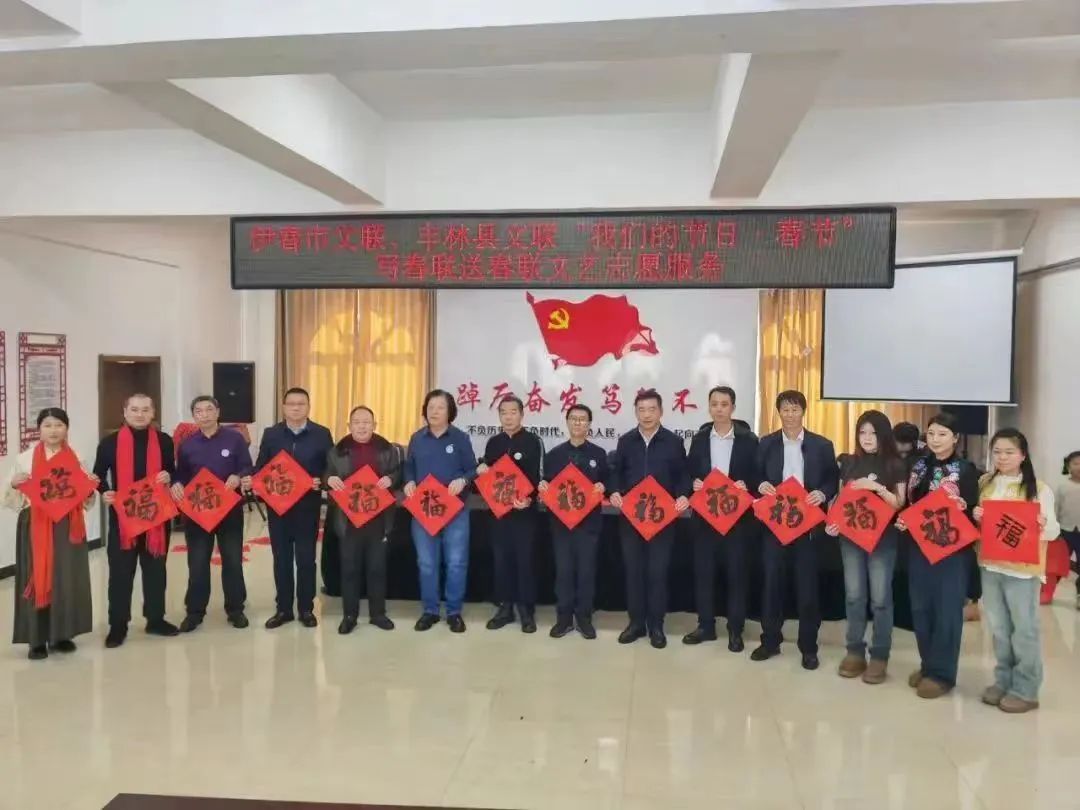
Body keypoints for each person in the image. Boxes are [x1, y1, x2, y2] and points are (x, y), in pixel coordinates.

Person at [973, 428, 1059, 713]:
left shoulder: (1038, 489)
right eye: (997, 452)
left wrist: (1042, 524)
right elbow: (980, 525)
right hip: (990, 565)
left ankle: (1026, 689)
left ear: (1023, 455)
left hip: (1023, 571)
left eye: (1009, 452)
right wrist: (976, 515)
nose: (1002, 457)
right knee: (999, 629)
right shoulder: (985, 483)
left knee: (1024, 630)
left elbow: (1053, 531)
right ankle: (1003, 680)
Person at [896, 411, 980, 699]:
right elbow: (910, 504)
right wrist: (903, 518)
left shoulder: (965, 469)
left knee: (946, 611)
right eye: (931, 433)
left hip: (951, 550)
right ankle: (928, 664)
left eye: (942, 434)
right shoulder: (918, 465)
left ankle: (942, 674)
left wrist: (963, 507)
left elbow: (973, 511)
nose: (935, 439)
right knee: (921, 608)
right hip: (918, 546)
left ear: (955, 438)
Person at [753, 390, 838, 670]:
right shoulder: (766, 443)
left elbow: (832, 479)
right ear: (779, 412)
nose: (790, 415)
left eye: (795, 409)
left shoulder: (821, 445)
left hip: (808, 525)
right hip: (775, 523)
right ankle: (770, 641)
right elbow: (755, 474)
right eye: (785, 410)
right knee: (771, 584)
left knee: (807, 587)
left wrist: (822, 493)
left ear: (803, 411)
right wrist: (761, 485)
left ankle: (808, 647)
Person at [3, 408, 97, 660]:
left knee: (66, 577)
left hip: (68, 525)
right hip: (34, 523)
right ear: (39, 429)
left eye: (59, 425)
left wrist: (90, 489)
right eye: (47, 425)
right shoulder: (24, 459)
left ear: (66, 428)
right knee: (35, 576)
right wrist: (14, 484)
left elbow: (85, 498)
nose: (53, 430)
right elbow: (9, 498)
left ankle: (62, 634)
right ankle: (36, 639)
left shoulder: (77, 457)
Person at [825, 410, 907, 684]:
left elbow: (899, 504)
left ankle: (880, 655)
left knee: (881, 599)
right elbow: (840, 500)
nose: (867, 438)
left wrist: (875, 488)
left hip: (882, 539)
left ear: (883, 435)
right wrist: (833, 522)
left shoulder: (895, 464)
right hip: (850, 538)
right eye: (862, 432)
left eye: (873, 433)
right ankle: (854, 651)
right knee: (854, 595)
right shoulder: (849, 462)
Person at [92, 393, 178, 648]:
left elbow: (172, 471)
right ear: (125, 412)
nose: (140, 414)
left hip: (156, 517)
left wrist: (168, 476)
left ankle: (155, 619)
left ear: (153, 413)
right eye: (134, 409)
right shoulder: (109, 443)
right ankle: (117, 626)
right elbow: (97, 476)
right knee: (120, 573)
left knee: (156, 571)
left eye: (145, 410)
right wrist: (105, 491)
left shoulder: (164, 440)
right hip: (123, 519)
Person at [608, 389, 690, 649]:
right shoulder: (626, 441)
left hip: (661, 518)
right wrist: (614, 491)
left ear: (661, 411)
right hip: (632, 518)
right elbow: (615, 472)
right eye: (641, 410)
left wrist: (684, 494)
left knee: (657, 572)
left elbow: (683, 475)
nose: (646, 415)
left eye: (652, 409)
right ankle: (635, 623)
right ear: (636, 412)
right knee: (633, 571)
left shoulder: (673, 442)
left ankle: (656, 625)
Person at [245, 387, 333, 630]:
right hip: (279, 508)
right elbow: (261, 467)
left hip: (308, 506)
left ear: (308, 407)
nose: (296, 408)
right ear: (283, 407)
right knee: (281, 558)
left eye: (301, 404)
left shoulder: (321, 434)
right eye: (291, 404)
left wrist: (320, 480)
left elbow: (331, 468)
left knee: (306, 559)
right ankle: (283, 609)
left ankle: (306, 608)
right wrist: (252, 478)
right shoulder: (272, 434)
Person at [683, 386, 759, 653]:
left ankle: (735, 629)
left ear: (733, 408)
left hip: (737, 519)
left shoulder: (749, 440)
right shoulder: (700, 438)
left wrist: (746, 484)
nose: (719, 409)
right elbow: (689, 471)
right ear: (709, 407)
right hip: (705, 518)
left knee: (736, 575)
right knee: (704, 573)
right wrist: (693, 482)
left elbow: (759, 475)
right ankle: (706, 625)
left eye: (724, 404)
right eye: (714, 404)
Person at [171, 395, 253, 632]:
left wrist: (238, 476)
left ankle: (235, 609)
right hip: (198, 513)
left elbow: (247, 466)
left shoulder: (235, 439)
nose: (204, 414)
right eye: (199, 411)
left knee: (232, 561)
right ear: (194, 416)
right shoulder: (187, 445)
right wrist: (176, 483)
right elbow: (180, 474)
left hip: (229, 510)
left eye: (209, 409)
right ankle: (195, 612)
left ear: (218, 412)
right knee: (197, 563)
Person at [403, 389, 478, 633]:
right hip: (424, 508)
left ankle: (454, 612)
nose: (434, 412)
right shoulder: (417, 438)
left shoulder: (460, 438)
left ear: (450, 412)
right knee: (426, 562)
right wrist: (409, 481)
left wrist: (463, 480)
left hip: (455, 510)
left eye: (440, 407)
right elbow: (409, 467)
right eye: (431, 407)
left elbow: (472, 469)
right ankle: (430, 611)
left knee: (456, 562)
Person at [324, 406, 401, 634]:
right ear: (349, 426)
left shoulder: (387, 449)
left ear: (374, 425)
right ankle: (350, 615)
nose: (361, 426)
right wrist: (330, 480)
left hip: (378, 518)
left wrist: (391, 479)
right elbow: (326, 473)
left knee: (377, 568)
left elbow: (399, 472)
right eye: (357, 422)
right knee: (349, 569)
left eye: (366, 422)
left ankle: (378, 614)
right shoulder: (337, 451)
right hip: (348, 519)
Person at [540, 404, 608, 640]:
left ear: (589, 424)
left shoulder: (599, 454)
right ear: (567, 422)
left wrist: (603, 486)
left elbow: (609, 483)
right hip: (561, 525)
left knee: (586, 572)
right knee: (564, 572)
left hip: (589, 525)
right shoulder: (555, 454)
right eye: (574, 419)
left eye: (582, 419)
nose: (578, 423)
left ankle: (584, 617)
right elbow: (547, 485)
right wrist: (543, 486)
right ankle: (564, 618)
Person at [479, 396, 545, 633]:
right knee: (501, 560)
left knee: (525, 561)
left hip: (524, 514)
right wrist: (482, 470)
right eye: (503, 413)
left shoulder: (533, 441)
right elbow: (488, 477)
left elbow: (539, 477)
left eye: (513, 412)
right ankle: (505, 608)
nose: (508, 417)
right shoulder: (493, 443)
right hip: (499, 514)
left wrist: (529, 498)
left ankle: (526, 610)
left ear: (522, 414)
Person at [1056, 450, 1080, 610]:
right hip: (1065, 530)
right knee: (1058, 563)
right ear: (1068, 466)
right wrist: (1054, 529)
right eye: (1075, 463)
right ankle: (1046, 590)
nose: (1079, 467)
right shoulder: (1062, 486)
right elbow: (1056, 508)